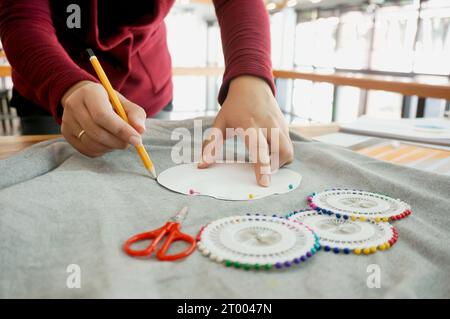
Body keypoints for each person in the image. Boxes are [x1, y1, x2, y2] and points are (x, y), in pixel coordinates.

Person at [0, 0, 293, 187]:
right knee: (58, 189)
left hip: (149, 83)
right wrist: (67, 86)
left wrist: (251, 77)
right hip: (52, 86)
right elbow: (22, 18)